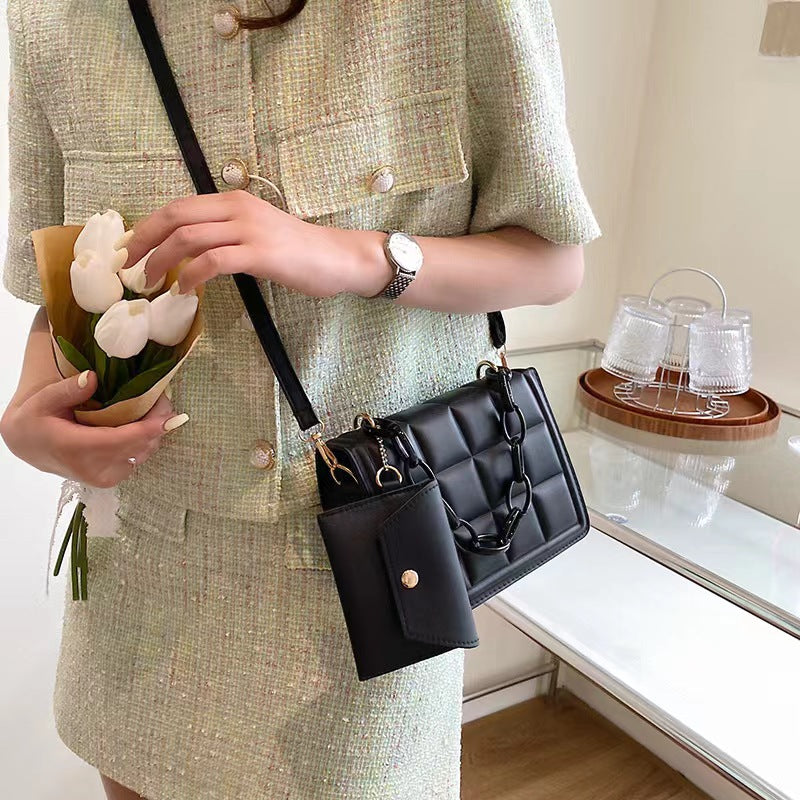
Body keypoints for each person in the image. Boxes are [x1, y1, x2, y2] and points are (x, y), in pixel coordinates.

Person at [1, 0, 600, 798]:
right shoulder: (51, 19)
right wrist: (29, 418)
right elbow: (62, 294)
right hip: (144, 607)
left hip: (369, 600)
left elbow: (552, 261)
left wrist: (354, 257)